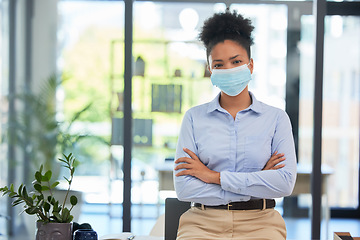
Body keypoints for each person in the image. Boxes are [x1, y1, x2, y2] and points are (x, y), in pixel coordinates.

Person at [173, 9, 297, 240]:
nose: (228, 69)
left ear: (250, 65)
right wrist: (257, 181)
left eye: (236, 61)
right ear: (211, 69)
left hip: (262, 224)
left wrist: (213, 176)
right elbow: (185, 188)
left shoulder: (276, 119)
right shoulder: (193, 118)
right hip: (201, 224)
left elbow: (284, 184)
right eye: (219, 64)